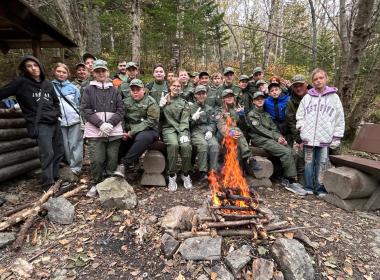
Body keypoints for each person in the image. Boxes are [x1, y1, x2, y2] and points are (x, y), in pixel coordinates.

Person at [0, 55, 64, 190]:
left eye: (35, 65)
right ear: (25, 69)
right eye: (29, 66)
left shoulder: (47, 84)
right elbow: (3, 93)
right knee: (47, 153)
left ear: (40, 65)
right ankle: (48, 184)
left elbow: (56, 102)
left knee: (58, 151)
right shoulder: (21, 83)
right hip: (40, 123)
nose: (33, 68)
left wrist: (57, 114)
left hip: (54, 122)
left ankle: (55, 177)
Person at [296, 68, 345, 196]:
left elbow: (339, 118)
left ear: (326, 78)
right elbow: (300, 114)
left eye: (321, 78)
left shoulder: (333, 97)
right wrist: (301, 127)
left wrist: (337, 137)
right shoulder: (308, 97)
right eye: (315, 79)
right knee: (308, 163)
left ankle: (319, 188)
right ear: (312, 81)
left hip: (325, 137)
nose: (318, 81)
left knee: (322, 163)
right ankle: (308, 187)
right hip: (309, 137)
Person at [246, 92, 306, 195]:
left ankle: (285, 177)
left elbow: (274, 128)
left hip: (272, 138)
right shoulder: (252, 114)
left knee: (292, 152)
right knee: (285, 152)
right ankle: (290, 180)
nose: (260, 100)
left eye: (261, 99)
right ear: (254, 101)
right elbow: (260, 130)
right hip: (260, 139)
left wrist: (280, 138)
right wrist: (276, 137)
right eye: (257, 99)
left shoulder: (266, 114)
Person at [81, 60, 124, 197]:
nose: (101, 73)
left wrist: (110, 123)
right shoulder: (88, 89)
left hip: (114, 131)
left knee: (112, 159)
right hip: (95, 132)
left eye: (103, 71)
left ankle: (109, 184)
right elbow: (85, 109)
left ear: (107, 72)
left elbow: (121, 109)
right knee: (97, 160)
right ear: (93, 73)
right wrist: (100, 124)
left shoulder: (115, 90)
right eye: (98, 71)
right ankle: (96, 183)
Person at [114, 79, 160, 177]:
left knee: (142, 138)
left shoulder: (151, 102)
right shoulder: (125, 102)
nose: (135, 92)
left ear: (143, 90)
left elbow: (151, 121)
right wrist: (123, 131)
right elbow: (121, 117)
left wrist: (132, 132)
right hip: (128, 131)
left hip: (149, 130)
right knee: (118, 140)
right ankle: (113, 167)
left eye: (138, 89)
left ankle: (124, 165)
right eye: (133, 89)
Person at [216, 89, 260, 175]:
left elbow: (243, 126)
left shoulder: (236, 109)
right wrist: (230, 133)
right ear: (223, 99)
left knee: (237, 132)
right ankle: (249, 157)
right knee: (236, 130)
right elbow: (221, 125)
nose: (229, 98)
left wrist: (242, 115)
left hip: (236, 135)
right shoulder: (219, 111)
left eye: (231, 96)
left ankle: (238, 173)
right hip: (222, 135)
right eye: (227, 97)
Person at [160, 78, 192, 191]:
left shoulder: (184, 103)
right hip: (168, 129)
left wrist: (183, 133)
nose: (176, 87)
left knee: (186, 146)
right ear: (170, 86)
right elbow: (158, 119)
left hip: (182, 129)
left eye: (178, 86)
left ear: (181, 88)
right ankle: (172, 175)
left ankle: (186, 173)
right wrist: (160, 107)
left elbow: (185, 120)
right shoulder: (164, 100)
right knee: (173, 145)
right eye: (174, 85)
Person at [52, 63, 83, 176]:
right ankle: (70, 164)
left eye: (64, 72)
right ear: (54, 72)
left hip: (74, 120)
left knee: (75, 144)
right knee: (65, 145)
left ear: (68, 74)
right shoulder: (50, 87)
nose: (61, 74)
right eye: (59, 71)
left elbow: (79, 104)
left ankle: (76, 168)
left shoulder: (73, 88)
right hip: (59, 121)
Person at [189, 85, 220, 181]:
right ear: (195, 95)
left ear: (206, 95)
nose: (201, 96)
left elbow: (213, 122)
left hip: (207, 131)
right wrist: (193, 119)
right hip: (196, 131)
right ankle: (202, 172)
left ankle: (213, 172)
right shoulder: (190, 107)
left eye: (203, 93)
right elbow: (186, 124)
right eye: (199, 94)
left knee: (214, 145)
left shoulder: (209, 108)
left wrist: (210, 130)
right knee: (203, 145)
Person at [285, 74, 309, 185]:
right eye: (295, 86)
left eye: (301, 85)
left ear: (306, 85)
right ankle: (301, 181)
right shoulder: (291, 102)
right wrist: (299, 140)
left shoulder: (315, 97)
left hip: (318, 133)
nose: (298, 88)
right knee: (301, 156)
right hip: (301, 133)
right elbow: (291, 122)